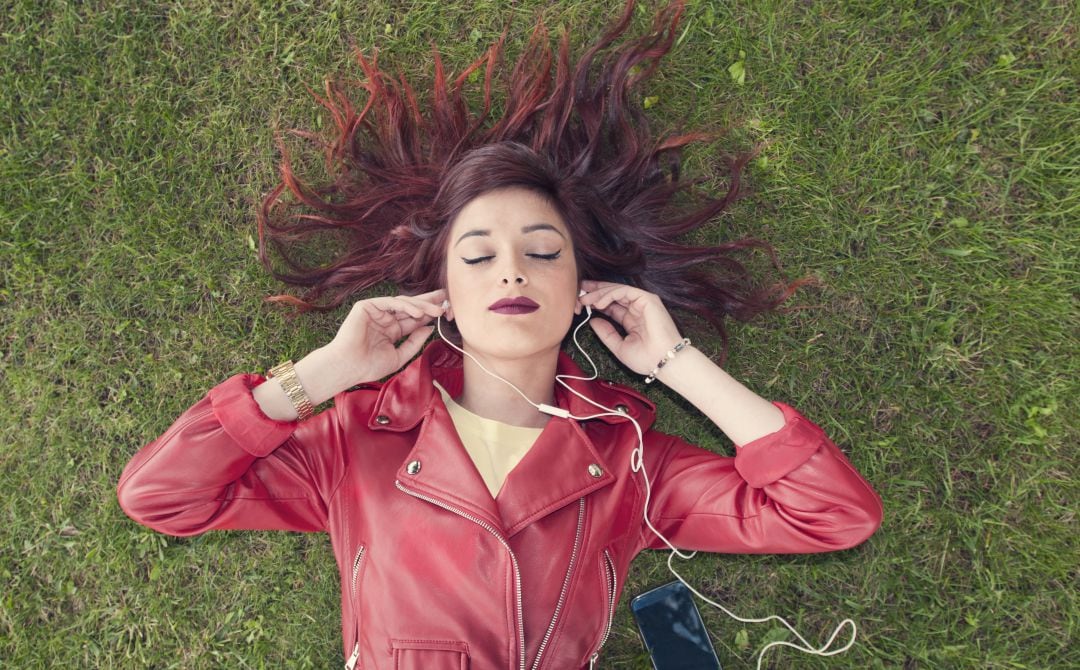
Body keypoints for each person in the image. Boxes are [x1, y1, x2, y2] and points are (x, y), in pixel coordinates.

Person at [116, 2, 883, 668]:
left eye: (543, 252)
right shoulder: (353, 441)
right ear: (443, 295)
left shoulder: (630, 465)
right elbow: (161, 496)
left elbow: (832, 514)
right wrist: (321, 375)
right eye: (479, 256)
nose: (512, 272)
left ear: (582, 293)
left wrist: (676, 363)